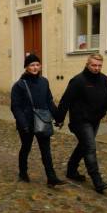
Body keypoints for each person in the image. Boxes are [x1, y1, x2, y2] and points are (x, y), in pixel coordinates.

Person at [57, 54, 107, 194]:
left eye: (99, 66)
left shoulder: (104, 79)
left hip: (95, 119)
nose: (97, 68)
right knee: (89, 147)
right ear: (87, 64)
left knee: (84, 145)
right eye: (94, 65)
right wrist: (59, 118)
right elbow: (65, 101)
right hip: (80, 120)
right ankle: (97, 181)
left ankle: (71, 169)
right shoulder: (78, 81)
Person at [10, 54, 65, 187]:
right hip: (27, 124)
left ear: (40, 66)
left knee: (46, 150)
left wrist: (58, 117)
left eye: (37, 65)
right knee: (26, 148)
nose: (35, 67)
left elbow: (49, 101)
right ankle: (23, 172)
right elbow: (15, 107)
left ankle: (51, 178)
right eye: (32, 65)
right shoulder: (19, 85)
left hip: (42, 121)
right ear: (26, 67)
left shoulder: (44, 82)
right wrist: (23, 124)